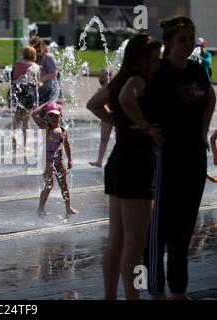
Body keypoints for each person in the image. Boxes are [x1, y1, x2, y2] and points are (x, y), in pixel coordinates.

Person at [144, 17, 216, 300]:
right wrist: (146, 129)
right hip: (167, 156)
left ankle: (178, 290)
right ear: (168, 43)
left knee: (185, 226)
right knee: (160, 226)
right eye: (182, 39)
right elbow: (130, 96)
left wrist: (203, 129)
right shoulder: (159, 71)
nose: (188, 44)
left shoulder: (197, 70)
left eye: (191, 38)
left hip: (194, 155)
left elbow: (209, 96)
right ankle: (156, 289)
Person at [87, 34, 163, 300]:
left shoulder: (118, 79)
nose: (157, 64)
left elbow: (93, 104)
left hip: (118, 161)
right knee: (136, 242)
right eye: (154, 59)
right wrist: (142, 126)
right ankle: (132, 297)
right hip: (137, 165)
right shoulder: (137, 80)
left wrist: (117, 122)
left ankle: (110, 296)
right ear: (141, 59)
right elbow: (129, 98)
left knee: (116, 241)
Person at [32, 102, 78, 218]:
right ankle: (40, 208)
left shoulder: (63, 131)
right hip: (47, 161)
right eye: (50, 115)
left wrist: (70, 160)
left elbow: (67, 145)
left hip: (59, 160)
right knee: (49, 185)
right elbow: (34, 114)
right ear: (46, 117)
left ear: (61, 116)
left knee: (64, 186)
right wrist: (45, 104)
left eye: (56, 116)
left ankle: (68, 208)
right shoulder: (45, 128)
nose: (53, 118)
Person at [9, 46, 39, 153]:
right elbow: (36, 83)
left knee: (17, 116)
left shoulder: (17, 63)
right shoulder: (34, 66)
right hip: (29, 92)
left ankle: (14, 134)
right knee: (26, 119)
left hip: (18, 91)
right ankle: (25, 145)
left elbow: (13, 78)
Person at [89, 69, 113, 168]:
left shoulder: (112, 89)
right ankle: (99, 161)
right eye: (100, 76)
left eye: (104, 76)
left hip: (117, 116)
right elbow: (100, 106)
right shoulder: (100, 90)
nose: (101, 78)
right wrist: (103, 116)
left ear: (110, 78)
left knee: (119, 139)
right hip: (107, 117)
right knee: (104, 139)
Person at [29, 36, 59, 105]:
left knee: (43, 110)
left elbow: (54, 73)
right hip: (36, 89)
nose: (34, 50)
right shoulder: (32, 57)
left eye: (35, 48)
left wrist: (40, 79)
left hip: (48, 89)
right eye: (32, 48)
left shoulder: (48, 57)